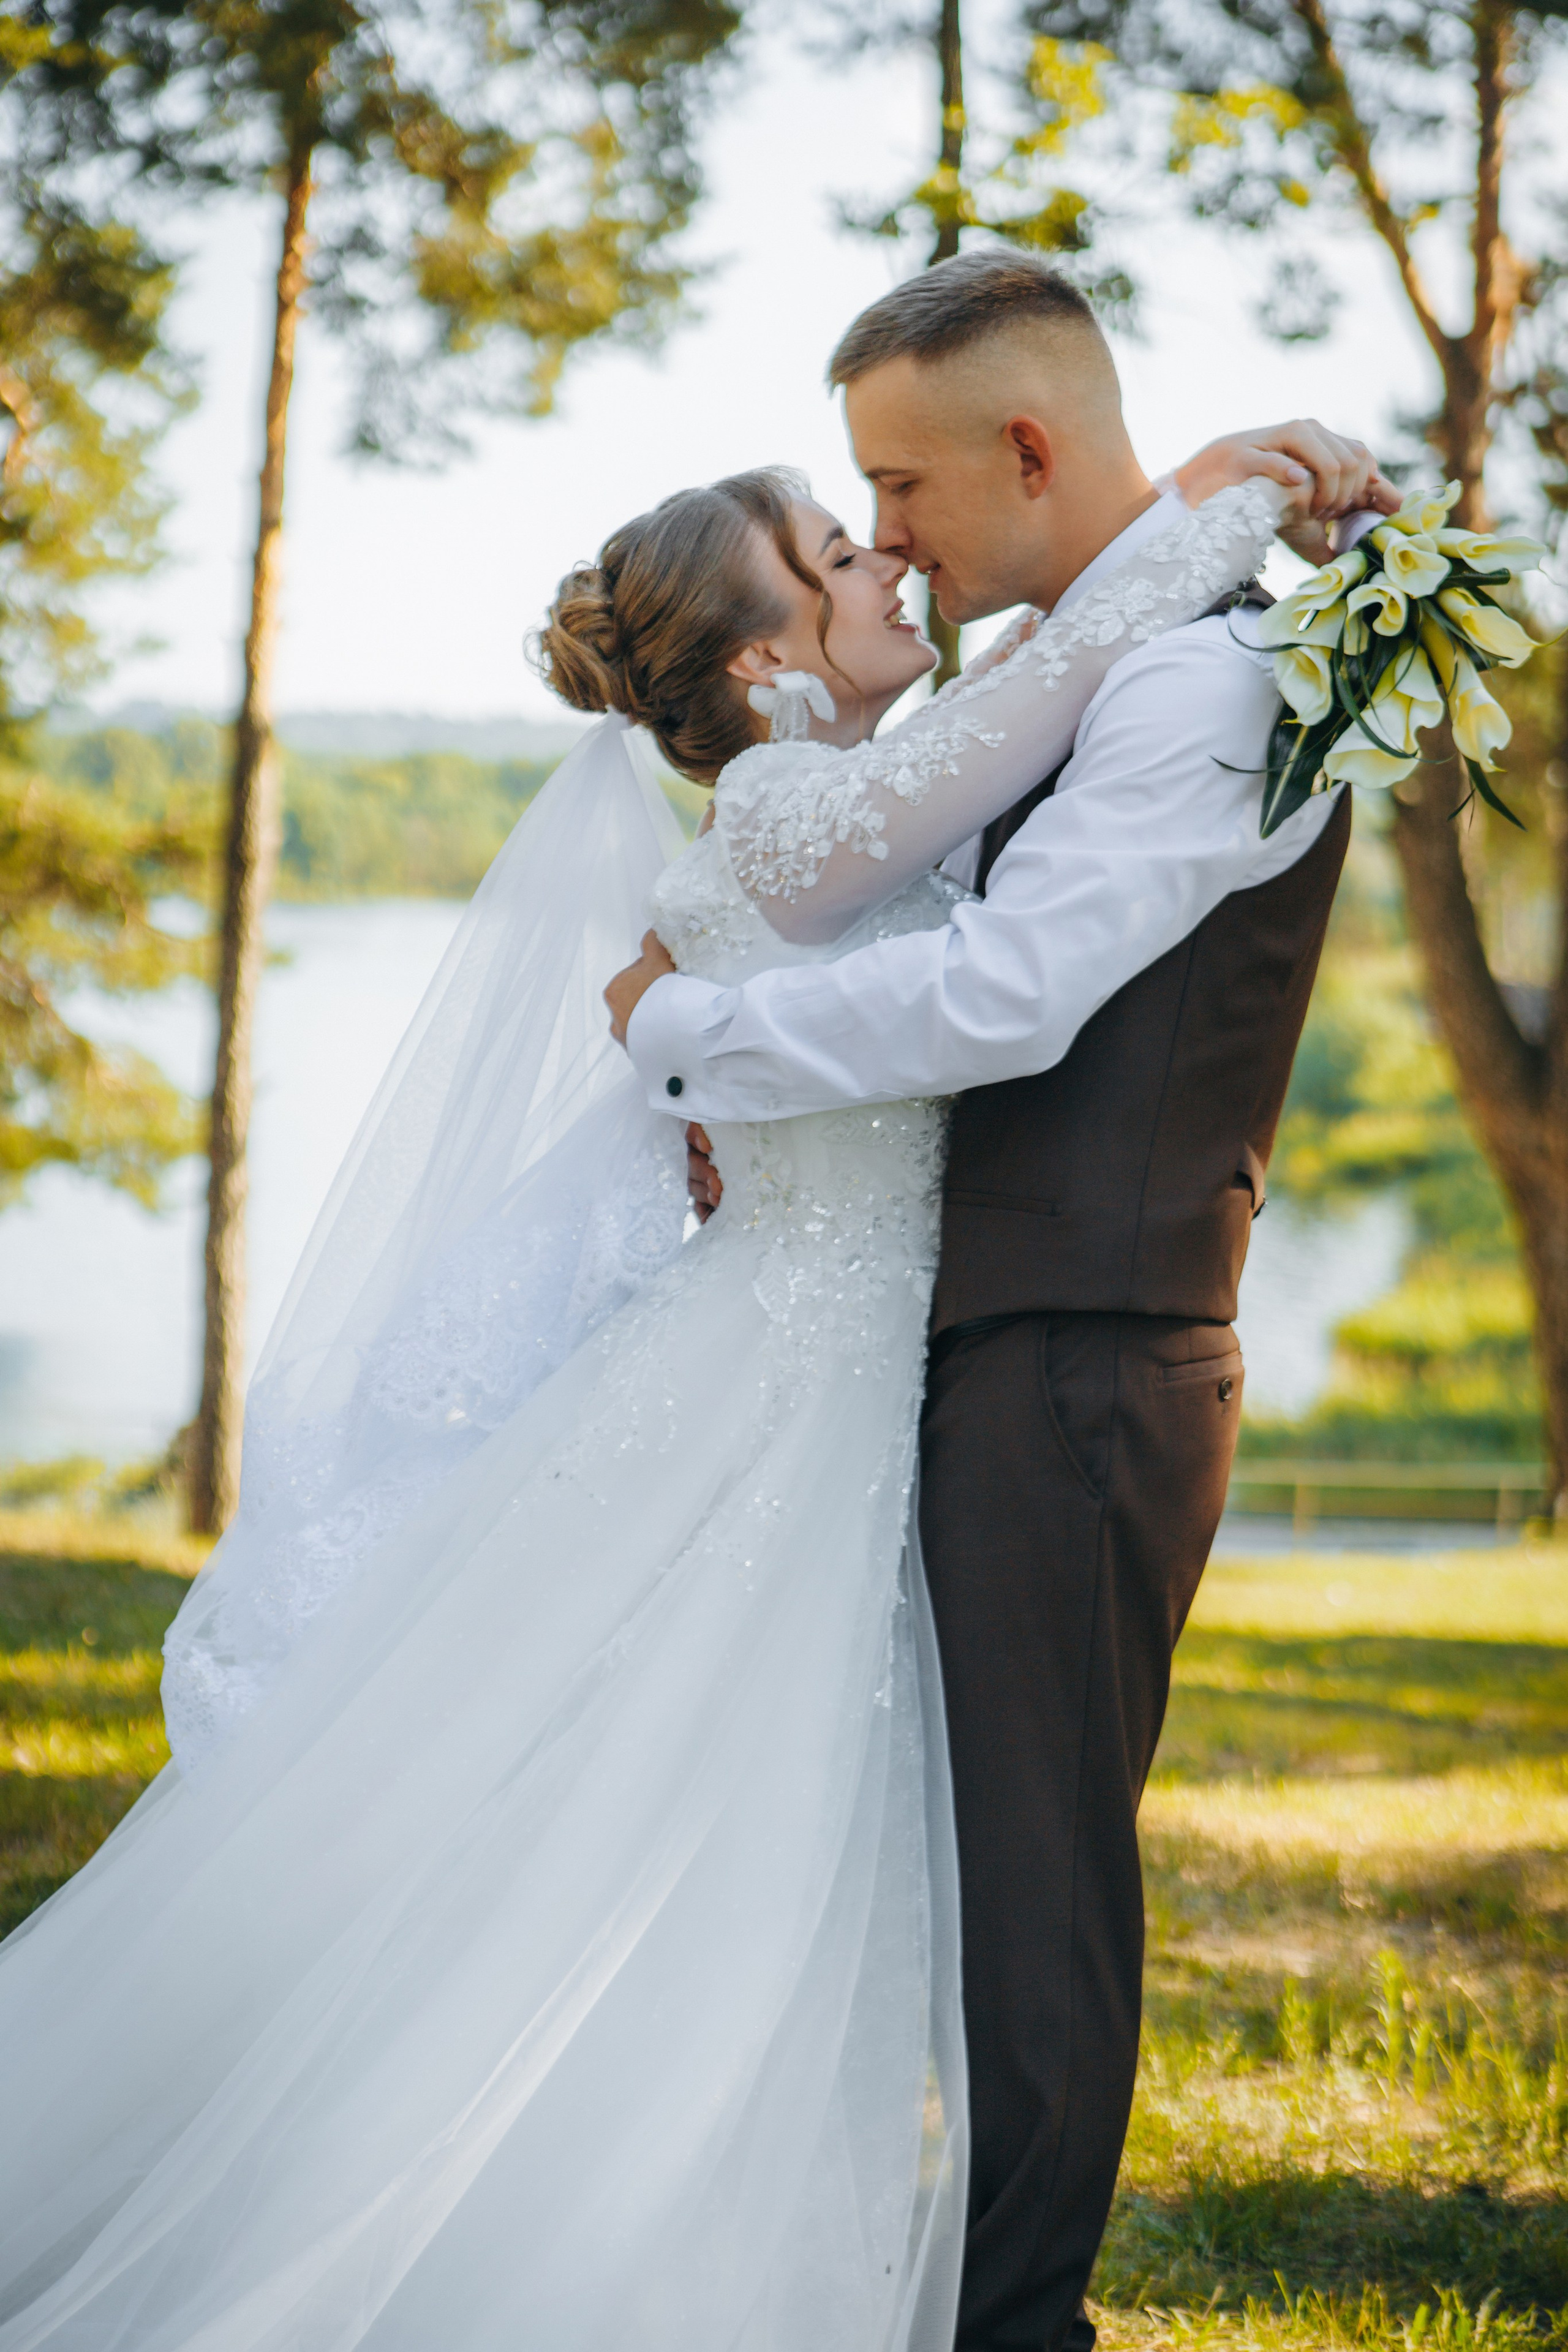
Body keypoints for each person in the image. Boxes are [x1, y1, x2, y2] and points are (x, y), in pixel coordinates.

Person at [0, 361, 1363, 2344]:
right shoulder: (809, 802)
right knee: (693, 1849)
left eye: (881, 505)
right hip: (781, 1404)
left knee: (748, 1857)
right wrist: (1218, 504)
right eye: (838, 546)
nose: (885, 549)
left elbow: (1043, 730)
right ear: (765, 671)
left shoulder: (850, 801)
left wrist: (1246, 532)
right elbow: (1040, 724)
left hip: (841, 1385)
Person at [605, 253, 1396, 2352]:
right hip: (974, 1355)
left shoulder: (1208, 680)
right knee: (942, 1883)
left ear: (1027, 448)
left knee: (1033, 1903)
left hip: (1089, 1364)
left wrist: (688, 1037)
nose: (889, 539)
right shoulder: (1071, 664)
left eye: (902, 484)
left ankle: (1018, 2328)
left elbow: (1015, 992)